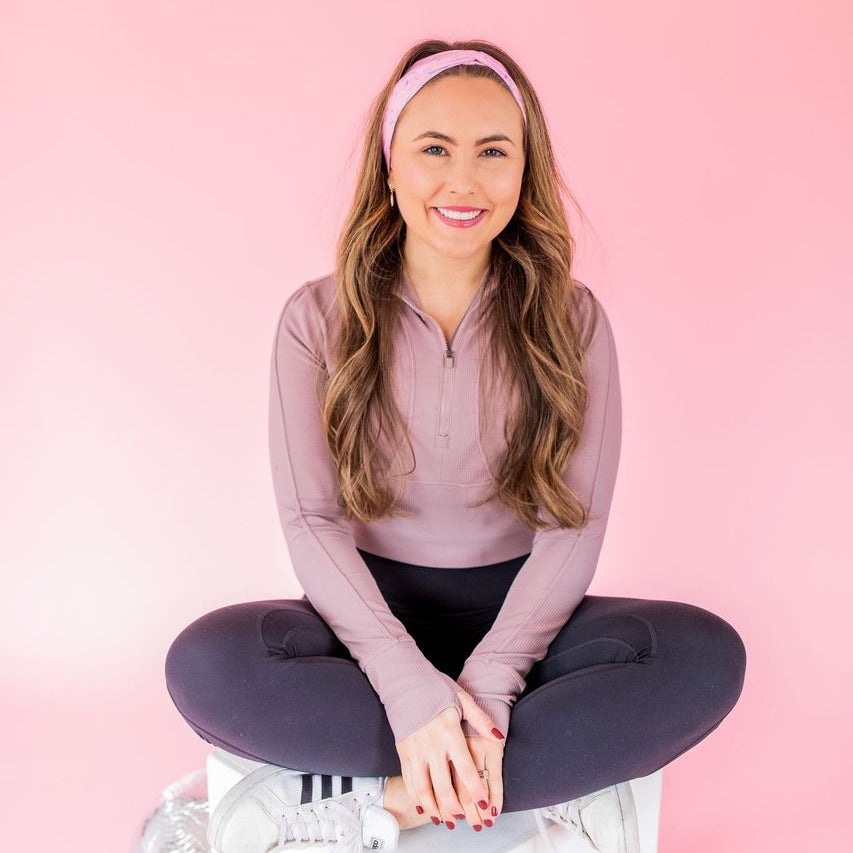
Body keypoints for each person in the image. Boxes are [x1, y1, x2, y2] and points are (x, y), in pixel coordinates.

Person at [165, 40, 747, 852]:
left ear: (523, 170)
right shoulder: (314, 318)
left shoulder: (571, 322)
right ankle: (529, 787)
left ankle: (381, 805)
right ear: (391, 167)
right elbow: (311, 520)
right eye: (433, 148)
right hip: (362, 622)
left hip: (525, 623)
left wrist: (487, 683)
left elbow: (573, 525)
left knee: (703, 654)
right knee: (207, 663)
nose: (463, 180)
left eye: (492, 152)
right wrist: (412, 693)